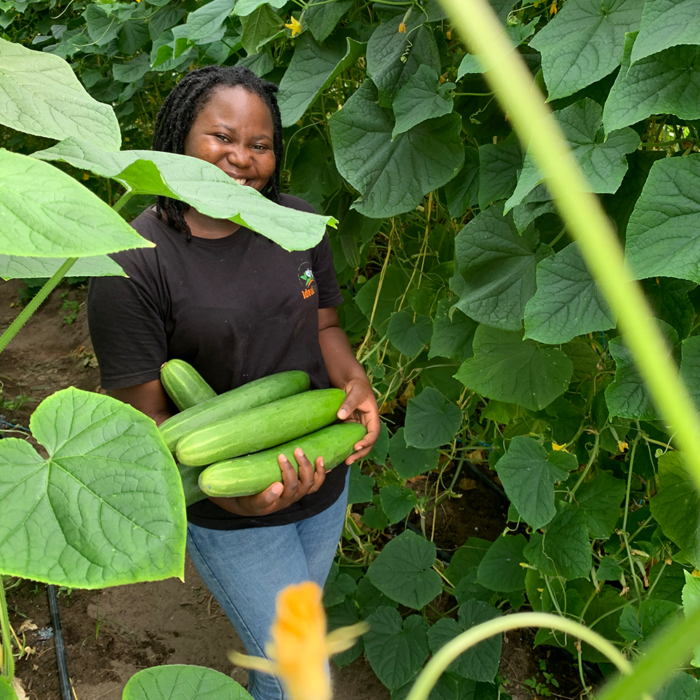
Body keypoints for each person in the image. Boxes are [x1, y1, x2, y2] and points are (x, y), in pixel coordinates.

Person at [87, 65, 380, 700]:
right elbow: (149, 423)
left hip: (320, 469)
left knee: (284, 632)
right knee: (305, 675)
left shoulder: (298, 224)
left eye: (260, 144)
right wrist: (228, 499)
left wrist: (356, 383)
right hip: (224, 503)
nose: (241, 160)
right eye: (222, 137)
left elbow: (324, 324)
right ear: (178, 141)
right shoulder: (131, 260)